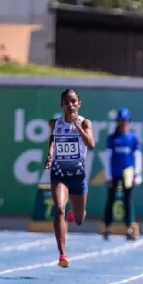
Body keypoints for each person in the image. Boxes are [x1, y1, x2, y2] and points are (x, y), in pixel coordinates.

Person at [45, 88, 95, 267]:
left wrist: (77, 127)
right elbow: (53, 139)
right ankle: (62, 255)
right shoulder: (54, 123)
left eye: (73, 101)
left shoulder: (85, 123)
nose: (70, 105)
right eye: (66, 102)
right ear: (61, 105)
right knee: (59, 209)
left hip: (78, 176)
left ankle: (77, 212)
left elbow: (91, 145)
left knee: (79, 220)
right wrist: (50, 155)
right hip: (59, 174)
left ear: (79, 104)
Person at [103, 107, 142, 241]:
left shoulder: (133, 138)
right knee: (111, 200)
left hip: (128, 172)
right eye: (120, 120)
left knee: (127, 201)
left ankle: (129, 229)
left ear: (128, 121)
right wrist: (108, 176)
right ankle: (107, 228)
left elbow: (137, 156)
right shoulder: (112, 138)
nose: (123, 122)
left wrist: (136, 174)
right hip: (114, 172)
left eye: (125, 120)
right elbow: (107, 157)